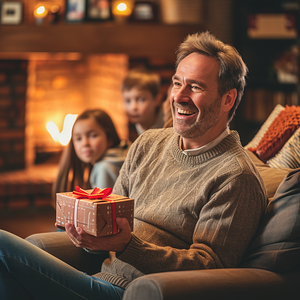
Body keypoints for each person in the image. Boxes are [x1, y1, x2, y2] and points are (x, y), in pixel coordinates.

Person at [0, 31, 267, 300]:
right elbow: (113, 224)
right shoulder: (148, 144)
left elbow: (210, 267)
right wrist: (92, 238)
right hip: (97, 278)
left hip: (132, 293)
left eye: (195, 87)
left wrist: (130, 246)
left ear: (228, 99)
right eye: (177, 83)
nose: (179, 96)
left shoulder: (235, 176)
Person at [52, 109, 130, 207]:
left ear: (109, 138)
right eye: (79, 138)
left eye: (93, 136)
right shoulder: (122, 155)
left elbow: (102, 209)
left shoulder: (104, 168)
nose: (85, 143)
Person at [122, 68, 164, 142]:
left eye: (141, 100)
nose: (133, 107)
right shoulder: (138, 123)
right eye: (128, 101)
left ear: (157, 99)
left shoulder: (168, 125)